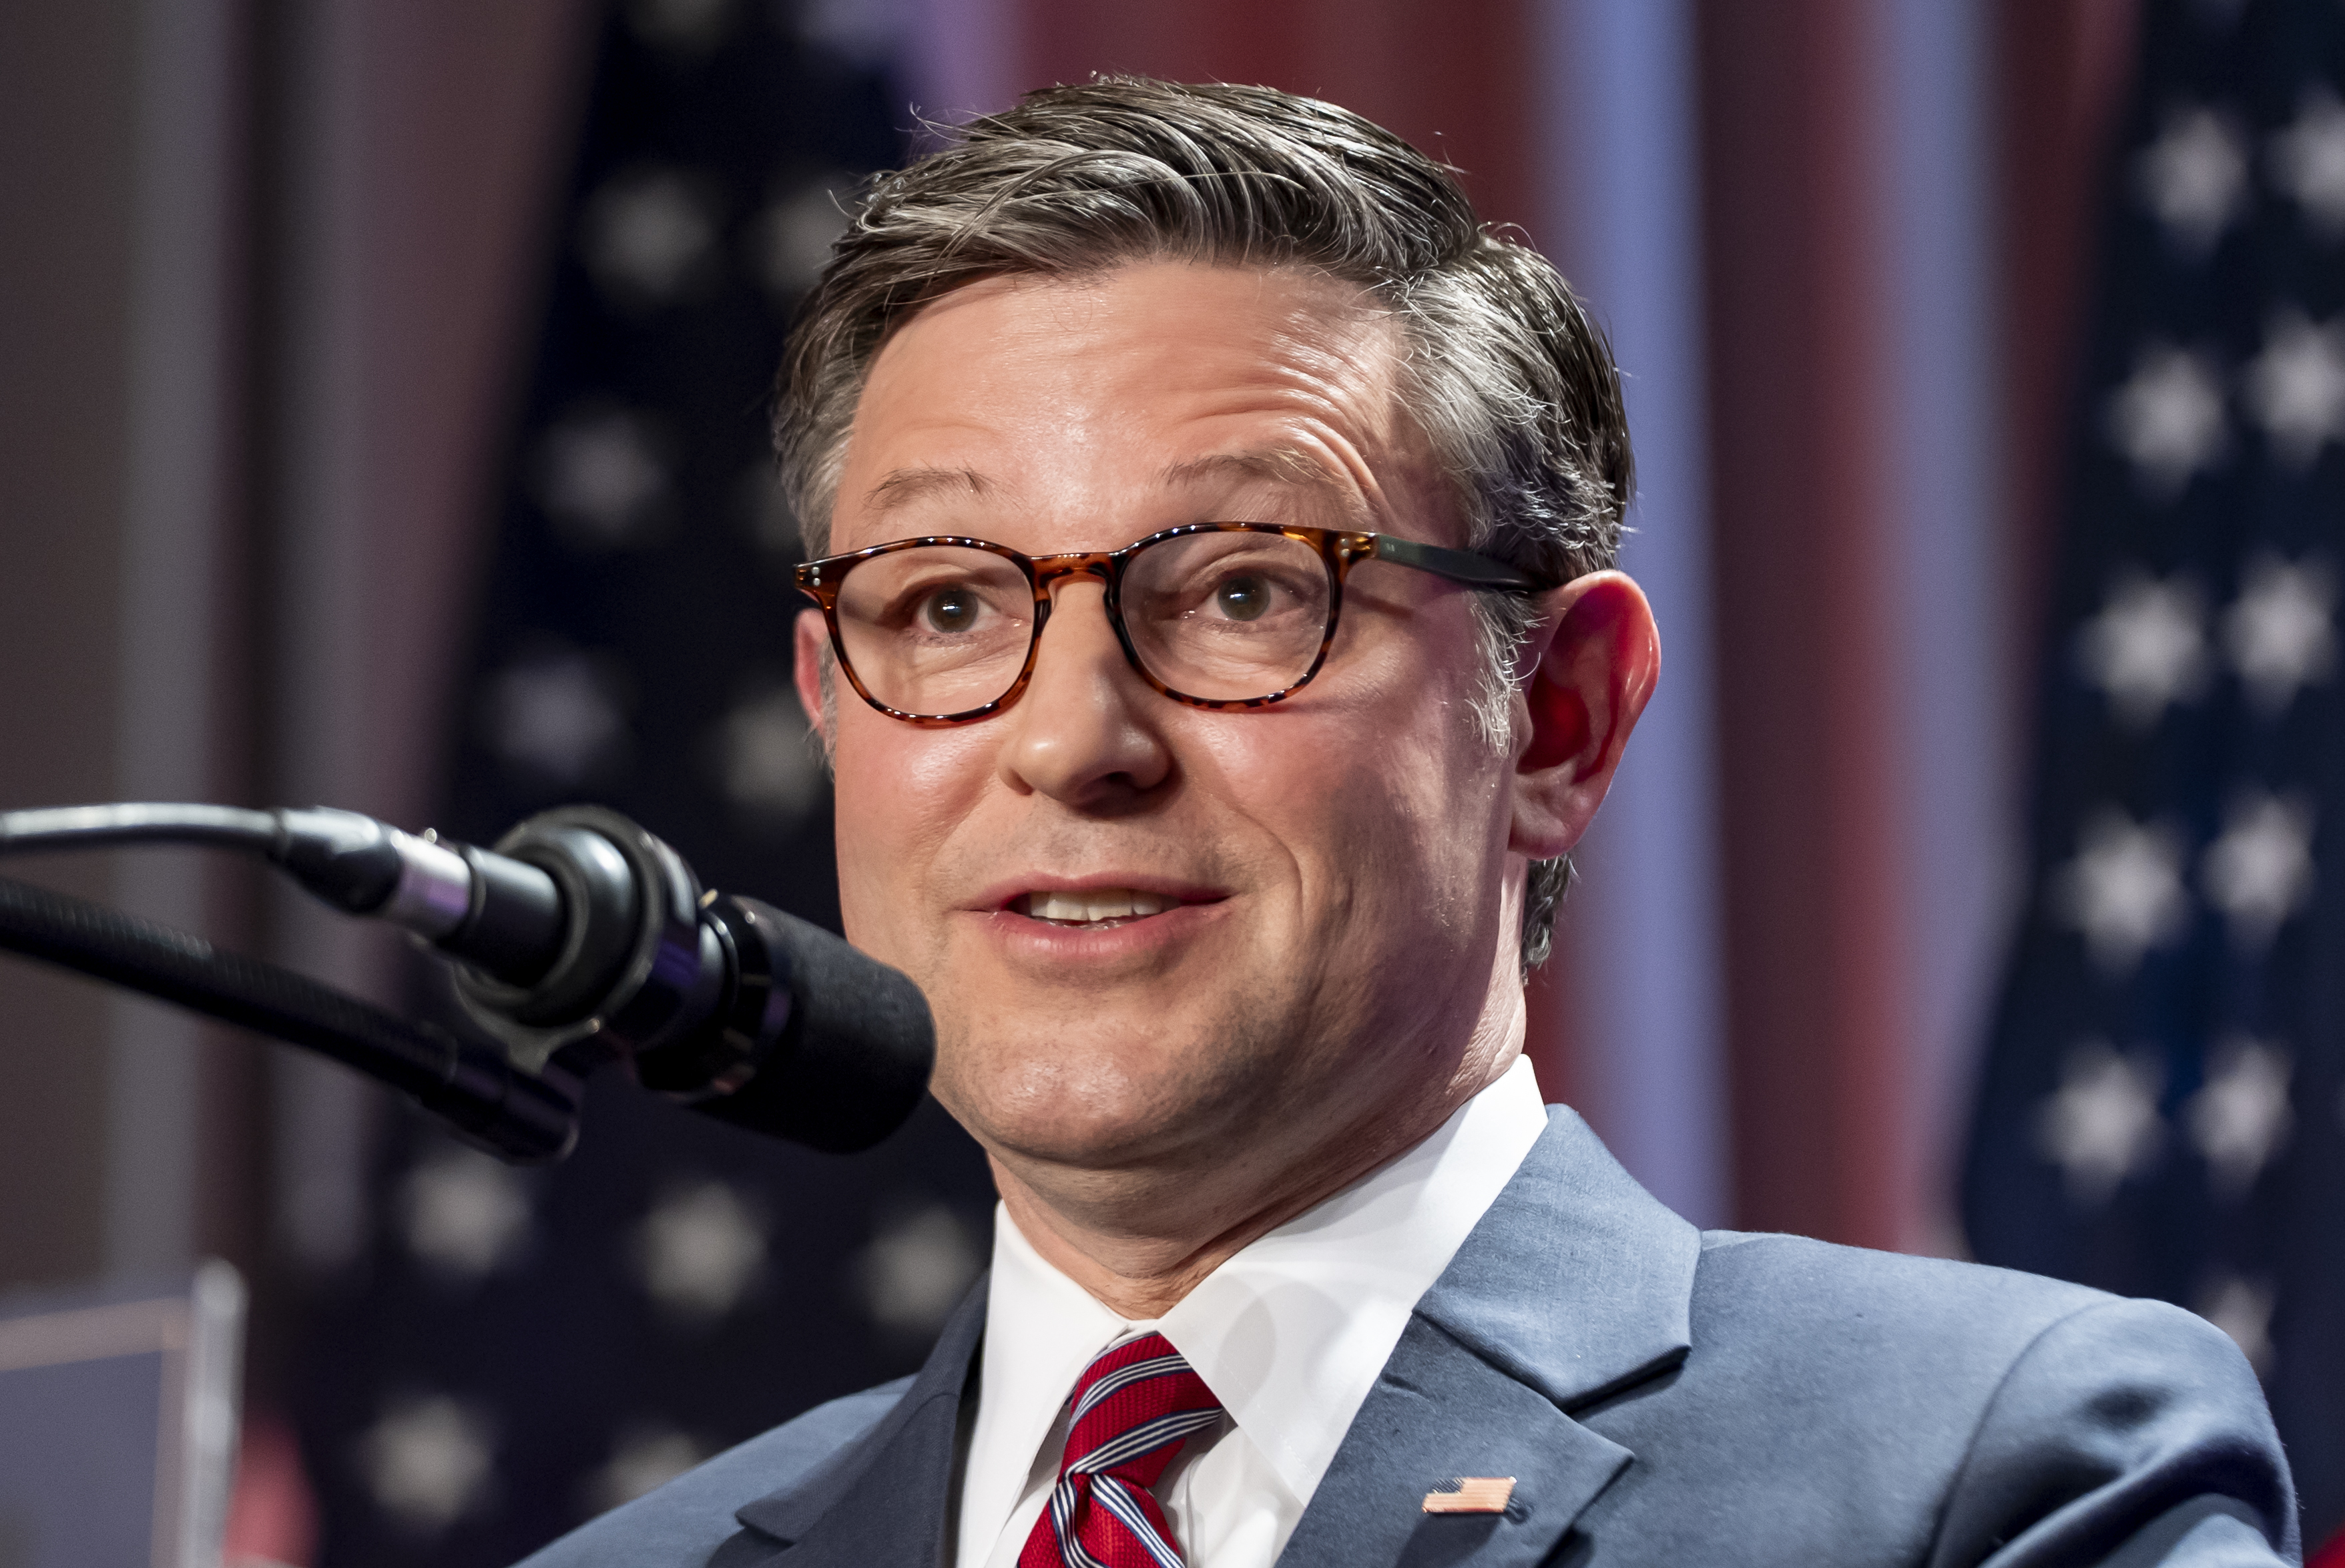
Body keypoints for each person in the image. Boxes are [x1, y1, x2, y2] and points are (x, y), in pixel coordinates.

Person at [520, 78, 2295, 1568]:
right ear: (832, 706)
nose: (1069, 741)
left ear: (1556, 718)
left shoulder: (1989, 1472)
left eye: (1240, 592)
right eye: (948, 608)